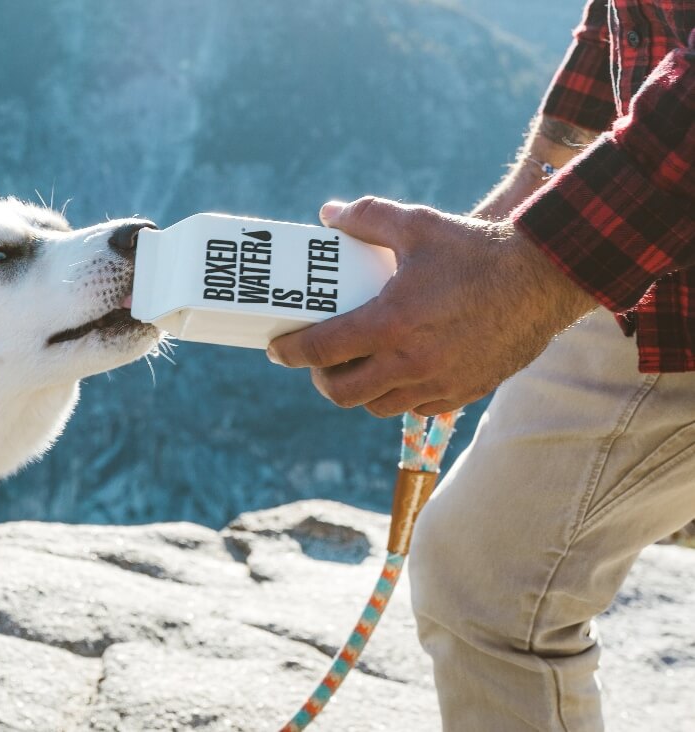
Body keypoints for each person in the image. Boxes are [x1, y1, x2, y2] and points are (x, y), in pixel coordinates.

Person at [266, 2, 695, 730]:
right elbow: (632, 24)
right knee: (485, 571)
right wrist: (504, 234)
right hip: (652, 261)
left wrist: (524, 276)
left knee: (494, 586)